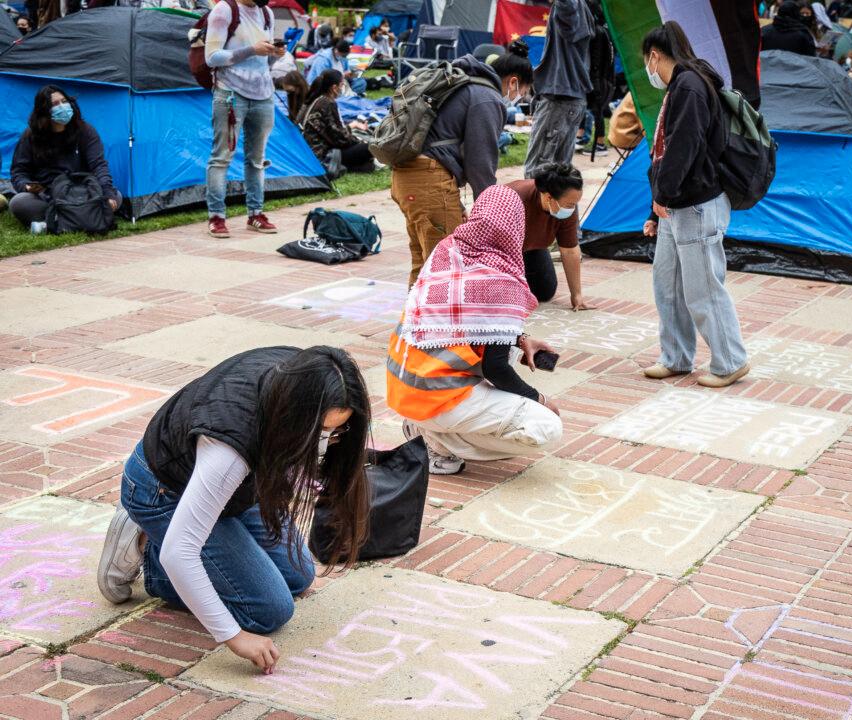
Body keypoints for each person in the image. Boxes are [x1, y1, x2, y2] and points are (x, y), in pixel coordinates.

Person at [96, 346, 371, 674]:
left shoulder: (304, 375)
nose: (323, 445)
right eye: (318, 432)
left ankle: (196, 535)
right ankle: (143, 543)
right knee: (268, 611)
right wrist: (234, 636)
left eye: (335, 432)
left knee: (298, 576)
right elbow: (180, 553)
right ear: (297, 413)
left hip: (237, 489)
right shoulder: (230, 443)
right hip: (164, 490)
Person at [387, 186, 563, 475]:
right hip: (435, 395)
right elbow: (495, 368)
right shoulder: (499, 277)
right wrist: (539, 399)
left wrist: (520, 339)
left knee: (501, 361)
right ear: (515, 226)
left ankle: (426, 426)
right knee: (546, 427)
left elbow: (464, 320)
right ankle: (436, 442)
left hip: (403, 387)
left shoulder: (447, 251)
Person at [640, 21, 749, 388]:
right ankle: (676, 356)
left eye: (646, 62)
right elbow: (666, 153)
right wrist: (656, 206)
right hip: (676, 204)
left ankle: (730, 361)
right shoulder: (682, 86)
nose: (647, 70)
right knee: (667, 284)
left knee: (703, 288)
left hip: (696, 203)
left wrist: (662, 196)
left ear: (654, 56)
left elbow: (682, 149)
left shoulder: (689, 86)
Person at [391, 55, 522, 286]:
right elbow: (480, 162)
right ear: (513, 82)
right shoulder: (486, 97)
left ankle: (412, 321)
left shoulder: (460, 85)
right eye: (525, 90)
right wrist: (489, 214)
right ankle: (431, 322)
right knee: (445, 270)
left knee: (424, 266)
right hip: (429, 179)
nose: (520, 97)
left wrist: (457, 204)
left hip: (407, 177)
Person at [204, 0, 283, 239]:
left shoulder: (266, 13)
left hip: (263, 94)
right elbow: (212, 57)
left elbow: (264, 61)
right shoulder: (224, 10)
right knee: (221, 157)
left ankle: (255, 213)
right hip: (230, 93)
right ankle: (216, 217)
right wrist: (251, 49)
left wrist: (276, 55)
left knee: (257, 159)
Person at [9, 86, 121, 228]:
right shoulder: (30, 136)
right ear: (44, 111)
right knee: (18, 203)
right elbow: (19, 171)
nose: (62, 107)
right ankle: (86, 217)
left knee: (116, 195)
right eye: (55, 104)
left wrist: (108, 193)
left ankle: (55, 221)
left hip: (81, 192)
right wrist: (26, 186)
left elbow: (99, 165)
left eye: (64, 101)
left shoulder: (86, 131)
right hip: (48, 195)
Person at [523, 0, 594, 178]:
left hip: (560, 99)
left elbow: (567, 10)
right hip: (569, 98)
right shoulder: (581, 7)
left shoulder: (570, 6)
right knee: (560, 177)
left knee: (538, 174)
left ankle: (536, 207)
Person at [506, 163, 591, 310]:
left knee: (545, 290)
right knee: (506, 296)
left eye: (574, 204)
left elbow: (570, 250)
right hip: (499, 252)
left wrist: (576, 294)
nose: (572, 209)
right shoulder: (515, 198)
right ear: (548, 197)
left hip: (533, 246)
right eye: (570, 204)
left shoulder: (567, 207)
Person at [300, 70, 376, 173]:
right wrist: (358, 140)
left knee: (367, 164)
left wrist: (350, 129)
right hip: (322, 154)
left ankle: (354, 166)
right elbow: (340, 139)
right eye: (341, 85)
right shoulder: (327, 103)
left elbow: (334, 132)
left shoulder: (318, 100)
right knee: (371, 147)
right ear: (334, 88)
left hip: (312, 152)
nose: (342, 88)